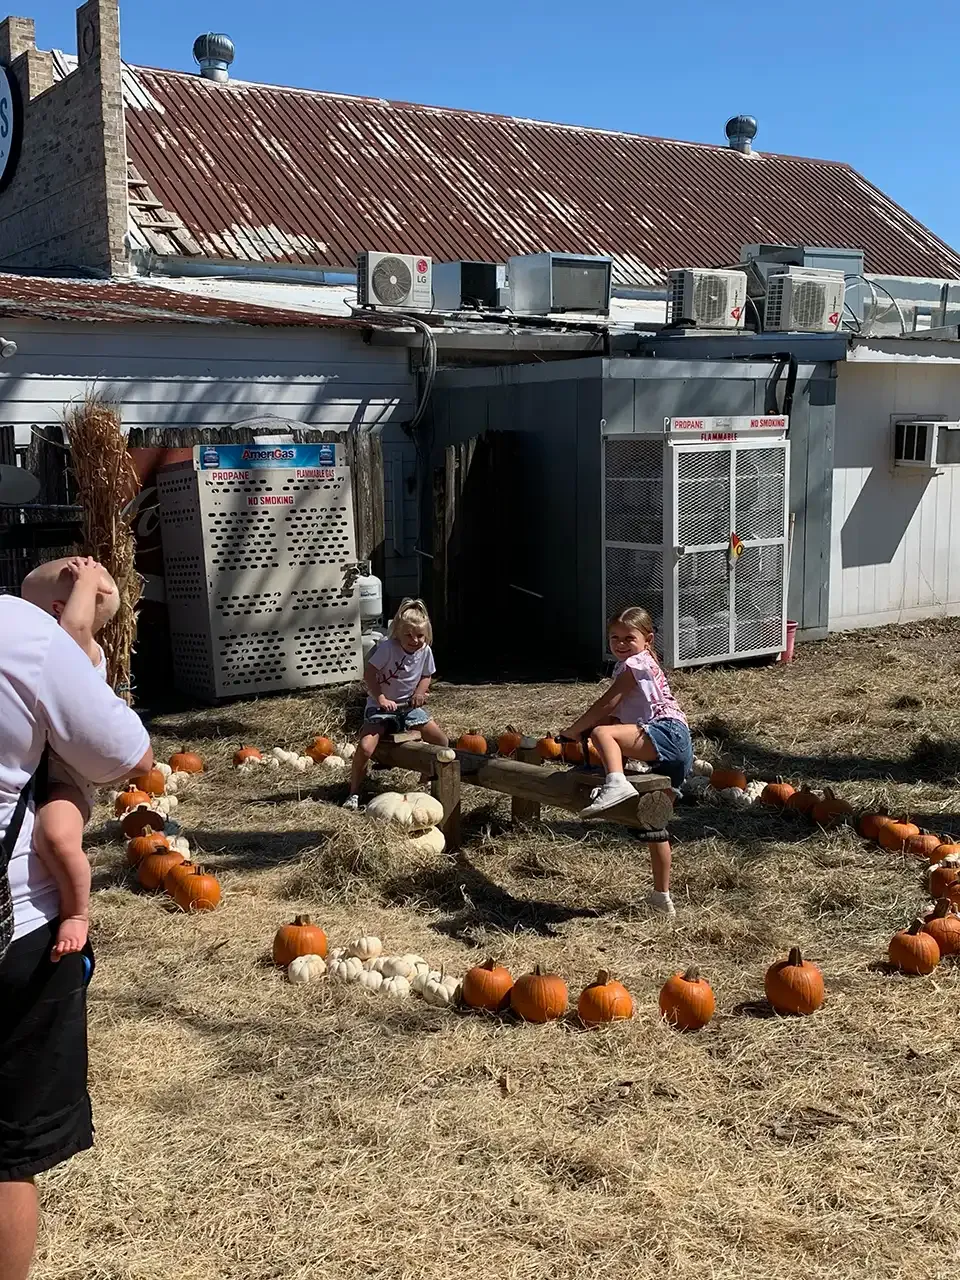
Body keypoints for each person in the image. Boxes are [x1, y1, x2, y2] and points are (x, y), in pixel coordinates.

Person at [0, 589, 152, 1280]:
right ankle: (77, 912)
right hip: (15, 930)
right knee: (7, 1155)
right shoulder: (23, 633)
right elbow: (125, 751)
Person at [560, 606, 693, 917]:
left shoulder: (635, 663)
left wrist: (576, 729)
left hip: (666, 733)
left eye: (628, 638)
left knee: (602, 733)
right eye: (614, 638)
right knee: (654, 817)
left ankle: (615, 783)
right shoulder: (645, 665)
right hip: (675, 742)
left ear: (647, 639)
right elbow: (616, 712)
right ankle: (662, 896)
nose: (620, 644)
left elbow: (608, 703)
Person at [20, 556, 120, 963]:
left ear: (60, 612)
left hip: (67, 775)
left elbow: (75, 627)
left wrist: (86, 581)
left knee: (56, 835)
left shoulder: (83, 649)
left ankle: (76, 912)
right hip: (35, 770)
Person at [343, 598, 448, 809]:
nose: (414, 640)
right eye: (408, 635)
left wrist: (419, 693)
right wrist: (381, 698)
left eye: (420, 635)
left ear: (426, 634)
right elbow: (370, 674)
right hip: (382, 707)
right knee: (365, 747)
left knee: (442, 741)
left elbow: (427, 675)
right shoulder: (388, 648)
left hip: (407, 707)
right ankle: (354, 793)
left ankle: (427, 776)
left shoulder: (425, 651)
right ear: (398, 631)